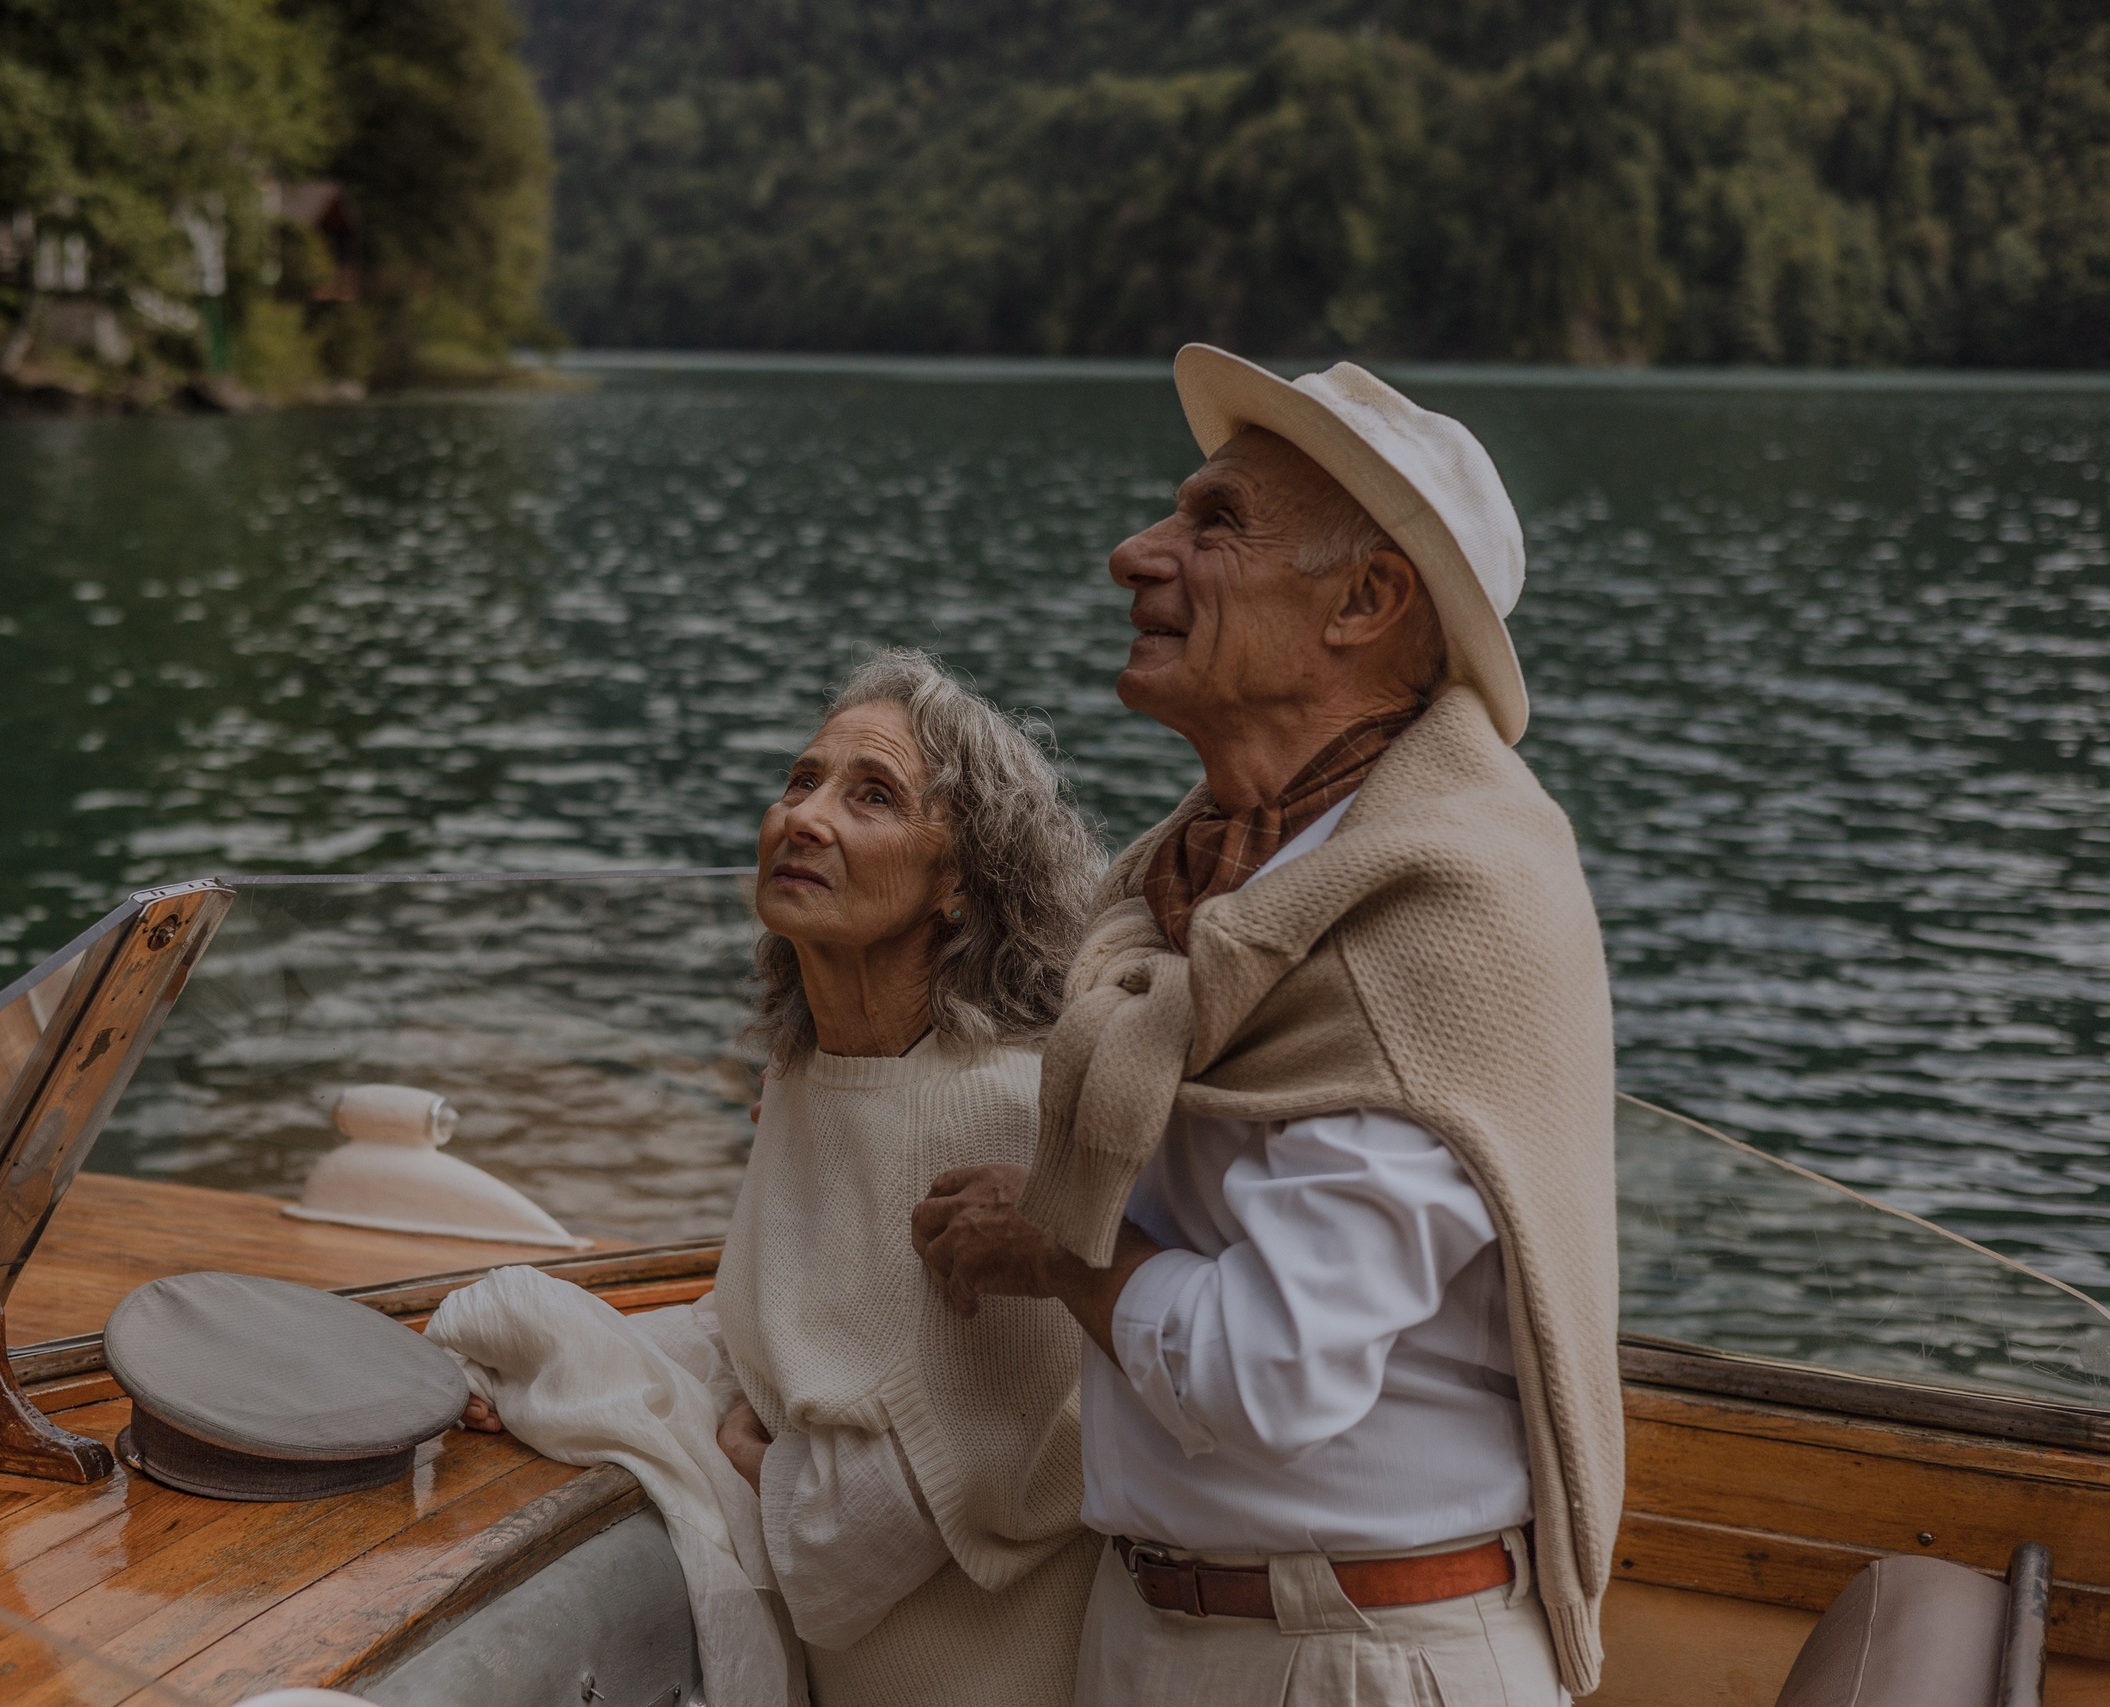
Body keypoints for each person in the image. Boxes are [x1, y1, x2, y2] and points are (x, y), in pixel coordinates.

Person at [913, 349, 1622, 1706]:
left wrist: (1059, 1251)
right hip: (1177, 1632)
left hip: (1357, 1663)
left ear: (1365, 598)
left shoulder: (1436, 916)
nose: (1138, 553)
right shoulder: (1218, 877)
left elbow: (1269, 1368)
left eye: (1212, 523)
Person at [470, 647, 1108, 1706]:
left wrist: (756, 1455)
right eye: (799, 781)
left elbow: (920, 1501)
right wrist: (543, 1368)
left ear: (960, 879)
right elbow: (771, 1323)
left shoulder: (1007, 1110)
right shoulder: (811, 1072)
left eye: (872, 797)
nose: (803, 818)